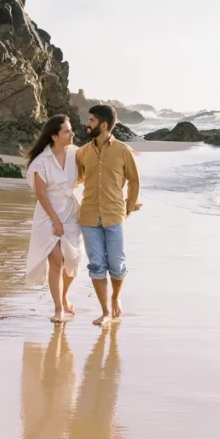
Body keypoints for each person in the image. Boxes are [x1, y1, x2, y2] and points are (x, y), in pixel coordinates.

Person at [76, 105, 141, 327]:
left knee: (116, 264)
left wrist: (130, 206)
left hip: (114, 215)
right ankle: (105, 312)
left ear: (103, 125)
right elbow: (74, 178)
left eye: (92, 120)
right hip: (89, 217)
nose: (88, 123)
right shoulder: (82, 152)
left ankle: (115, 298)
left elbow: (134, 180)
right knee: (96, 265)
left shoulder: (123, 151)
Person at [25, 114, 85, 323]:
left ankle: (64, 295)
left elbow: (90, 173)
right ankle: (58, 308)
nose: (72, 134)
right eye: (67, 131)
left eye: (71, 130)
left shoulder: (76, 154)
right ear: (54, 136)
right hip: (47, 214)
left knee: (73, 261)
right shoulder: (42, 161)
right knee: (57, 262)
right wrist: (55, 221)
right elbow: (41, 193)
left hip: (71, 212)